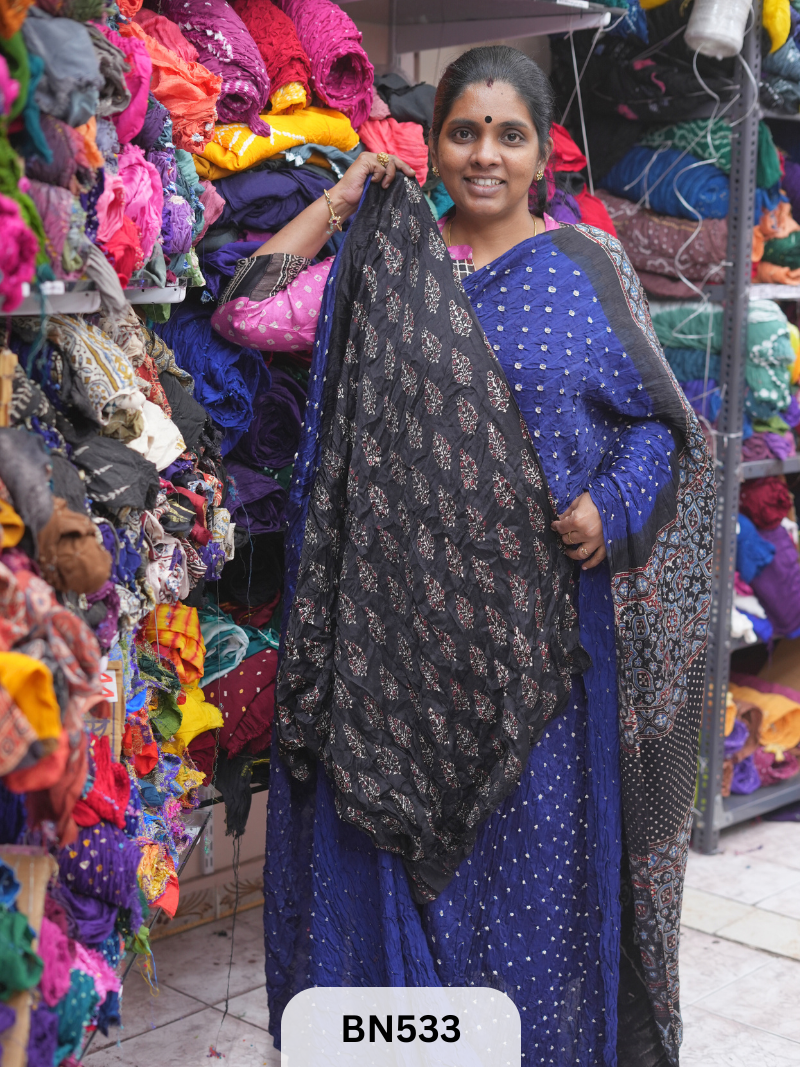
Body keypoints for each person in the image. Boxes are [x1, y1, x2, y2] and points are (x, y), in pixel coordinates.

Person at [212, 46, 714, 1067]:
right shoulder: (389, 262)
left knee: (526, 893)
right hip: (389, 649)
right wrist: (346, 195)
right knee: (391, 873)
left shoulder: (586, 269)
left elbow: (661, 428)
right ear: (432, 141)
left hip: (539, 654)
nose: (483, 154)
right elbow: (245, 307)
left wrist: (608, 506)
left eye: (508, 133)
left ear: (540, 156)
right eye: (462, 130)